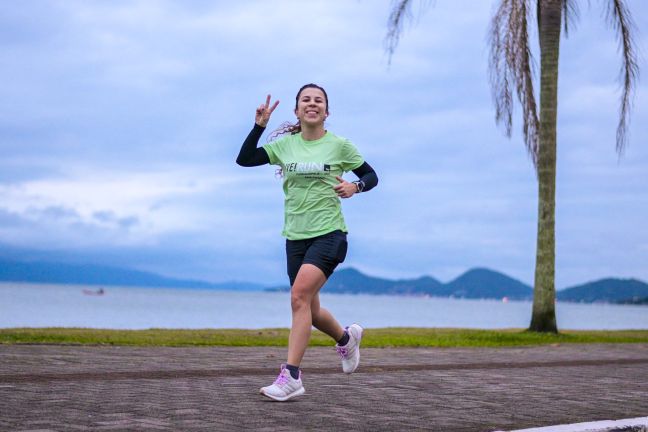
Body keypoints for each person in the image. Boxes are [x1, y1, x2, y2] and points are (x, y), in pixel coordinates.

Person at [236, 83, 378, 401]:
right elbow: (244, 159)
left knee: (298, 297)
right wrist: (258, 126)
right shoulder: (286, 147)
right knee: (309, 310)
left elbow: (371, 175)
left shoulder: (339, 146)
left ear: (326, 111)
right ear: (297, 111)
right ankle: (346, 338)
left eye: (318, 101)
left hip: (330, 234)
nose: (312, 104)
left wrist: (356, 187)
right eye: (305, 100)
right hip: (295, 238)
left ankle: (291, 377)